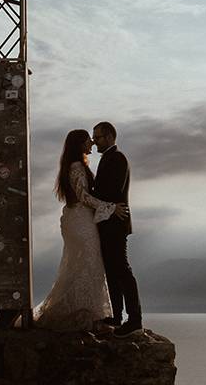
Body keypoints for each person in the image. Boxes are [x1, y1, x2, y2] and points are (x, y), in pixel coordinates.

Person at [32, 129, 124, 330]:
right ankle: (80, 312)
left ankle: (85, 310)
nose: (92, 143)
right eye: (88, 141)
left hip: (76, 219)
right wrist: (110, 207)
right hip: (81, 221)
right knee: (89, 262)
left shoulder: (73, 166)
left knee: (79, 264)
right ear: (80, 144)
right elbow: (83, 196)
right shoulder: (76, 167)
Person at [92, 121, 143, 335]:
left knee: (121, 269)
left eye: (98, 138)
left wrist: (91, 194)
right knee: (112, 271)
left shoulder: (117, 158)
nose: (95, 142)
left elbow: (112, 190)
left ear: (110, 136)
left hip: (116, 221)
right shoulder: (107, 159)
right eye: (94, 138)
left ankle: (135, 319)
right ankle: (118, 315)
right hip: (107, 220)